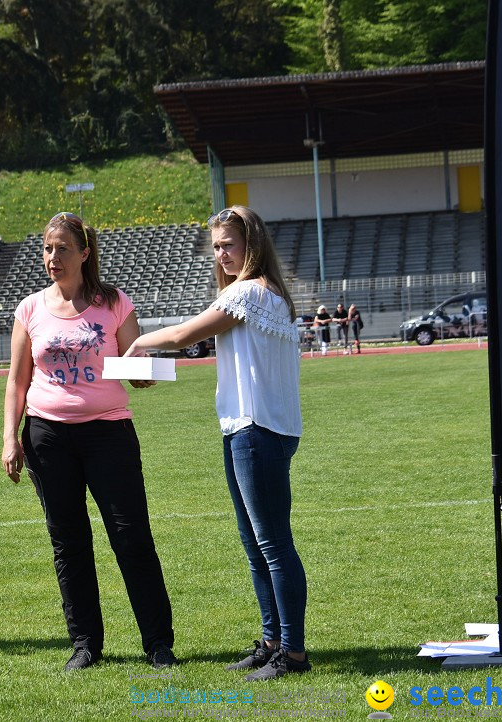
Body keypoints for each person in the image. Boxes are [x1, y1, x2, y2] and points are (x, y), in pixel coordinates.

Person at [123, 205, 310, 682]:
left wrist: (142, 344)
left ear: (253, 244)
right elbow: (205, 341)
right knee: (257, 545)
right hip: (251, 427)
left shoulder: (249, 292)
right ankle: (273, 642)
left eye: (229, 244)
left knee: (272, 545)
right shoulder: (267, 295)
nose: (222, 254)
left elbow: (188, 333)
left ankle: (291, 652)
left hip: (256, 429)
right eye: (216, 247)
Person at [2, 211, 177, 672]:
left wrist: (144, 374)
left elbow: (134, 363)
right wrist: (9, 439)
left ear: (85, 252)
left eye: (61, 248)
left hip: (109, 433)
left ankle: (158, 643)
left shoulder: (115, 302)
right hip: (47, 436)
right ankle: (84, 644)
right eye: (46, 248)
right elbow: (17, 381)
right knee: (69, 541)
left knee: (131, 536)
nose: (52, 257)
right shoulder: (29, 309)